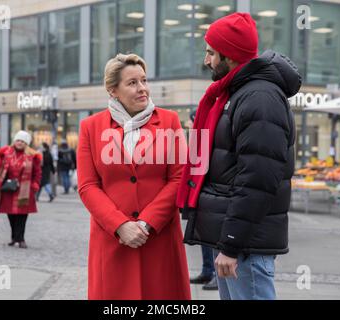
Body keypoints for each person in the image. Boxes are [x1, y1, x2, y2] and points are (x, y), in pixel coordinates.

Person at [176, 13, 300, 300]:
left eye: (210, 52)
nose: (206, 60)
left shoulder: (259, 98)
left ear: (229, 55)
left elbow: (257, 180)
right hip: (238, 243)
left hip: (246, 247)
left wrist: (231, 244)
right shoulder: (239, 93)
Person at [77, 53, 190, 300]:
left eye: (144, 80)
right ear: (113, 90)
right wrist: (120, 225)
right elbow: (87, 186)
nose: (143, 89)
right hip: (112, 240)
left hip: (158, 238)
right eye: (132, 83)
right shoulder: (91, 127)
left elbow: (179, 178)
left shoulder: (169, 121)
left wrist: (146, 222)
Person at [185, 109, 218, 291]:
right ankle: (207, 271)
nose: (189, 124)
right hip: (198, 195)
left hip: (208, 194)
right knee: (203, 236)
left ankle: (214, 273)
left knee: (211, 237)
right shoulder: (195, 138)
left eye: (191, 121)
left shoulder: (206, 137)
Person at [0, 130, 42, 249]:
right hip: (9, 189)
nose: (19, 142)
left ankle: (21, 239)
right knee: (10, 215)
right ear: (14, 141)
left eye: (22, 141)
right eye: (18, 140)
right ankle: (13, 237)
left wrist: (35, 184)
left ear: (26, 143)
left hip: (25, 189)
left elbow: (37, 172)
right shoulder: (6, 154)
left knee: (22, 216)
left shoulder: (32, 156)